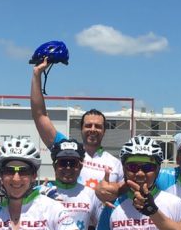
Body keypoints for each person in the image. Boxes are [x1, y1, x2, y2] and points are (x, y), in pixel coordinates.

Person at [29, 40, 123, 189]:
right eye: (88, 125)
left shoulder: (116, 164)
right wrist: (37, 74)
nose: (93, 129)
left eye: (98, 126)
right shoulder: (66, 149)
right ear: (81, 129)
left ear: (104, 131)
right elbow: (40, 115)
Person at [40, 138, 103, 230]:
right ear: (55, 165)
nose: (68, 168)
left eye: (73, 163)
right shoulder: (41, 192)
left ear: (80, 166)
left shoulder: (91, 194)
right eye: (63, 162)